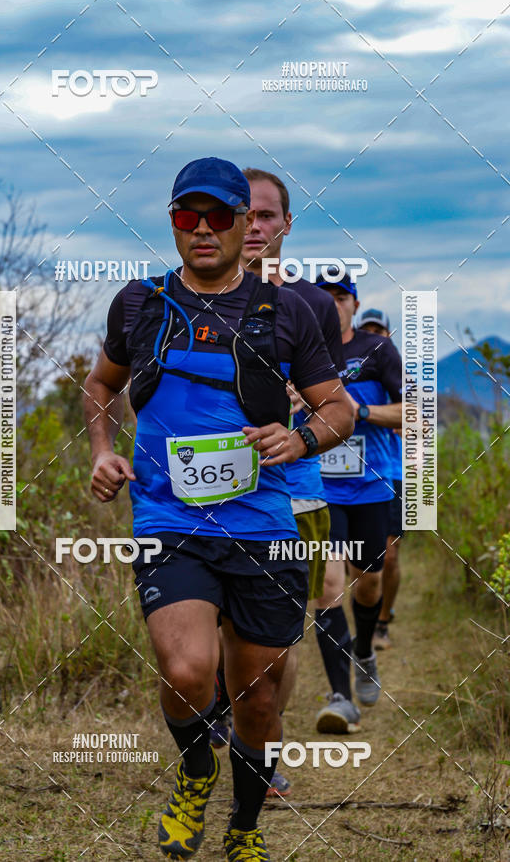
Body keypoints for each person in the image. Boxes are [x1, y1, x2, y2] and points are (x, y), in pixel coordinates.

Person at [83, 157, 354, 861]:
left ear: (243, 224)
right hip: (168, 520)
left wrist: (297, 440)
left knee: (259, 700)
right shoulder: (139, 304)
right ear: (172, 222)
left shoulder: (292, 311)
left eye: (218, 217)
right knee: (185, 670)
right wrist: (102, 450)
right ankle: (197, 773)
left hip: (263, 526)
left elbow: (338, 410)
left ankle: (244, 829)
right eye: (185, 217)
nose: (201, 231)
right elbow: (98, 386)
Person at [237, 168, 344, 798]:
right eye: (243, 213)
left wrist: (293, 409)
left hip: (294, 489)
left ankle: (268, 745)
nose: (253, 227)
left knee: (278, 638)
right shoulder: (191, 297)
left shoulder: (308, 305)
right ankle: (229, 716)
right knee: (218, 629)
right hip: (209, 495)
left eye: (266, 216)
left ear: (286, 225)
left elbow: (335, 403)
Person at [312, 269, 402, 733]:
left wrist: (358, 412)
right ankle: (340, 697)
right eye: (322, 296)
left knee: (368, 580)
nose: (332, 303)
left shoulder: (377, 350)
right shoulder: (298, 351)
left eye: (341, 296)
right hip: (318, 488)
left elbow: (415, 413)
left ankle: (365, 647)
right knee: (327, 585)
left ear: (353, 303)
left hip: (370, 484)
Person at [358, 308, 404, 651]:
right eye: (368, 331)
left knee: (388, 555)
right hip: (350, 474)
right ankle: (362, 621)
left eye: (380, 331)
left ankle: (384, 622)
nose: (375, 336)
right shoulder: (353, 370)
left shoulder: (396, 373)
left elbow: (415, 419)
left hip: (393, 471)